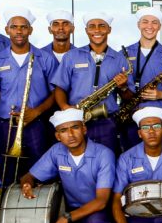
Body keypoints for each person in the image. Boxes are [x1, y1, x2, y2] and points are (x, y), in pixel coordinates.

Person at [18, 108, 118, 223]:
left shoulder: (103, 154)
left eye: (75, 128)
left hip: (101, 212)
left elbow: (101, 201)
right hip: (75, 213)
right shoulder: (56, 151)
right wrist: (27, 184)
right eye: (63, 130)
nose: (70, 134)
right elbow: (29, 176)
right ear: (58, 136)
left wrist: (65, 218)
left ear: (84, 129)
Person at [0, 9, 59, 187]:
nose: (19, 31)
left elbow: (56, 93)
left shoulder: (46, 58)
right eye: (14, 27)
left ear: (30, 30)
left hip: (36, 123)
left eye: (23, 27)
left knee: (40, 171)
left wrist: (37, 112)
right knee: (7, 172)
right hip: (6, 125)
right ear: (7, 30)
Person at [52, 11, 131, 155]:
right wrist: (65, 108)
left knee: (107, 158)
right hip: (77, 119)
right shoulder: (71, 56)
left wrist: (124, 87)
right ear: (86, 30)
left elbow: (128, 98)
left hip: (107, 122)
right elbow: (59, 88)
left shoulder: (120, 59)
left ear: (109, 30)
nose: (97, 30)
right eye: (92, 26)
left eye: (102, 26)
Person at [121, 6, 162, 148]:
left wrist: (161, 95)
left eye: (154, 22)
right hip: (130, 116)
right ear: (138, 25)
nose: (149, 26)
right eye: (145, 22)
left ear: (160, 27)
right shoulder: (124, 53)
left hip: (158, 118)